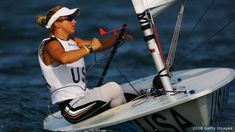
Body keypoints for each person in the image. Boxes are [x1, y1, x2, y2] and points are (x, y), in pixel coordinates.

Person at [36, 6, 135, 124]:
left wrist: (117, 38)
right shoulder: (50, 45)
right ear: (57, 23)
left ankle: (124, 119)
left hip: (84, 97)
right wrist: (89, 48)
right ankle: (126, 123)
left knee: (132, 90)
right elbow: (64, 58)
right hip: (71, 109)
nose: (74, 21)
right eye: (69, 18)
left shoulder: (74, 41)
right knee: (113, 88)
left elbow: (99, 45)